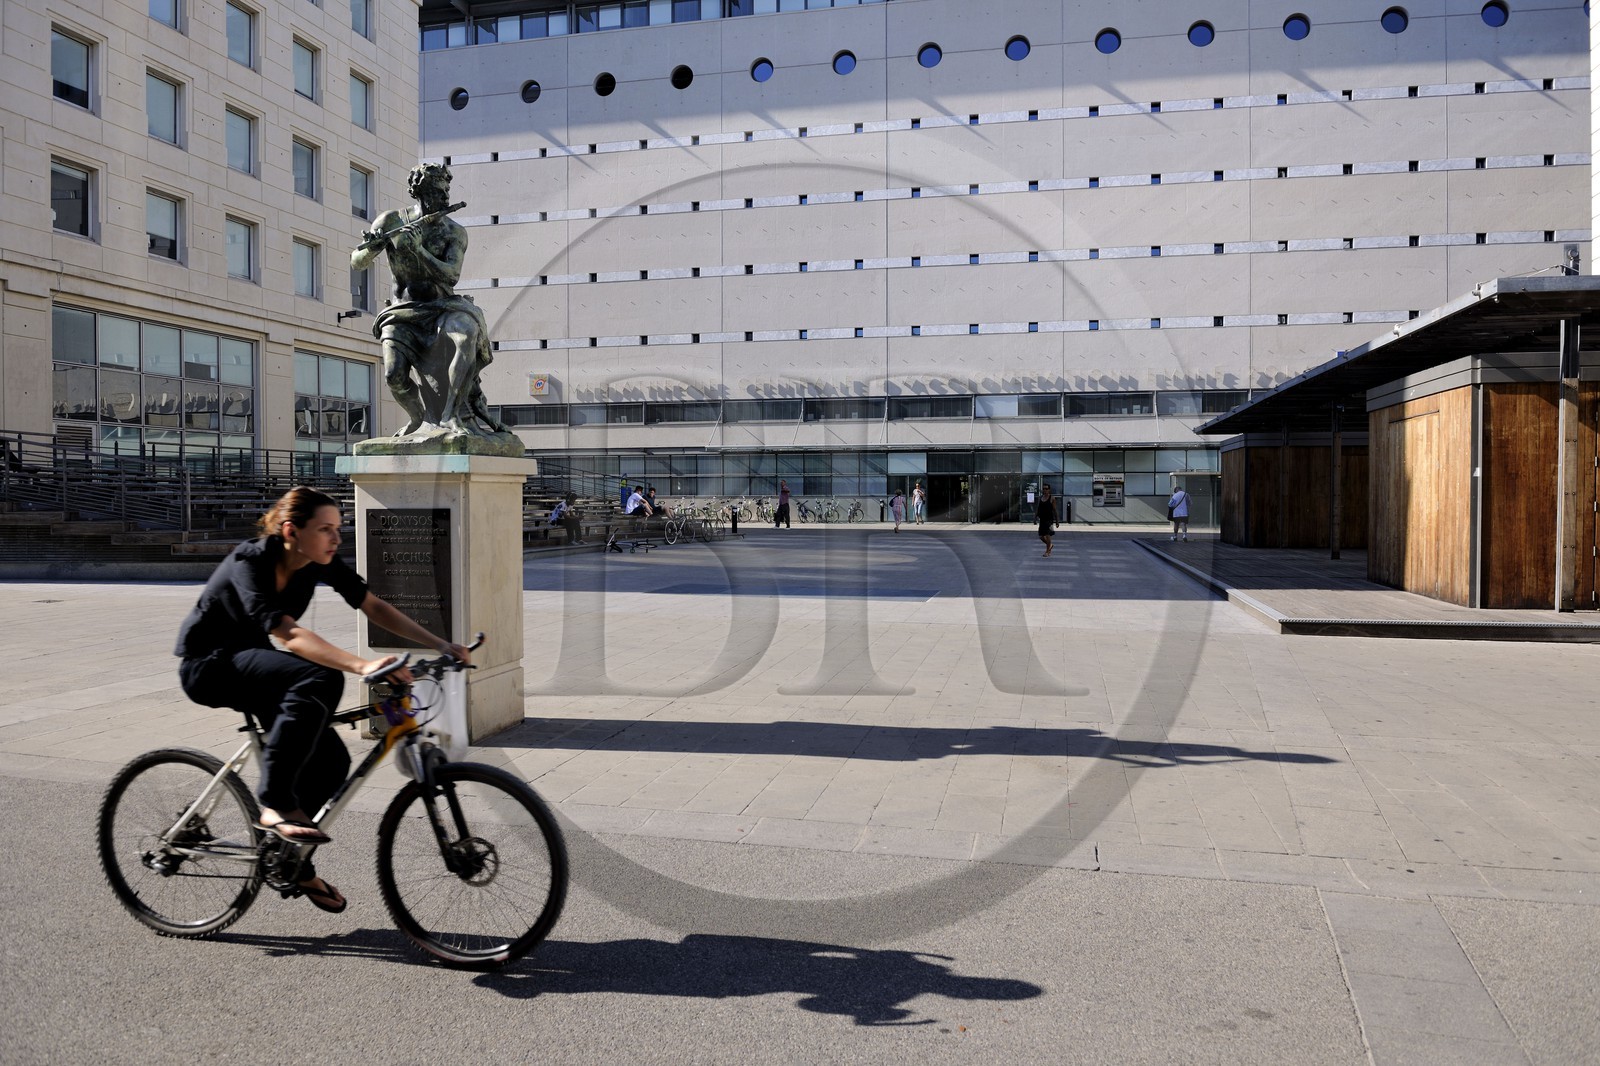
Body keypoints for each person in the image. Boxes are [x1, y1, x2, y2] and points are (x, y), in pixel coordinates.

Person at [174, 487, 470, 914]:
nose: (336, 538)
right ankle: (274, 803)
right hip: (209, 664)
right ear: (292, 531)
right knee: (319, 676)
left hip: (252, 662)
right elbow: (287, 634)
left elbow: (373, 605)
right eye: (326, 529)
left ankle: (291, 862)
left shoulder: (317, 563)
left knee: (331, 762)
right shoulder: (251, 560)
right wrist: (361, 665)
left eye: (339, 529)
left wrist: (441, 643)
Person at [350, 162, 507, 440]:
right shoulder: (391, 222)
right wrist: (373, 247)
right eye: (438, 191)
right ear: (419, 190)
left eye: (447, 190)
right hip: (402, 311)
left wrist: (419, 250)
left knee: (466, 334)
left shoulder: (453, 231)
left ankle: (450, 415)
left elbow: (451, 275)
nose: (445, 197)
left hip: (443, 306)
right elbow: (357, 262)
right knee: (393, 376)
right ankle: (417, 419)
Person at [1037, 483, 1057, 557]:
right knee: (1041, 536)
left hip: (1049, 520)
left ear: (1049, 490)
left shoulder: (1052, 498)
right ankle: (1050, 545)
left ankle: (1047, 551)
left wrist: (1057, 521)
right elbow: (1038, 508)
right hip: (1042, 519)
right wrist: (1035, 517)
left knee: (1048, 535)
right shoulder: (1040, 498)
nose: (1045, 490)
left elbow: (1055, 510)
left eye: (1046, 489)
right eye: (1044, 489)